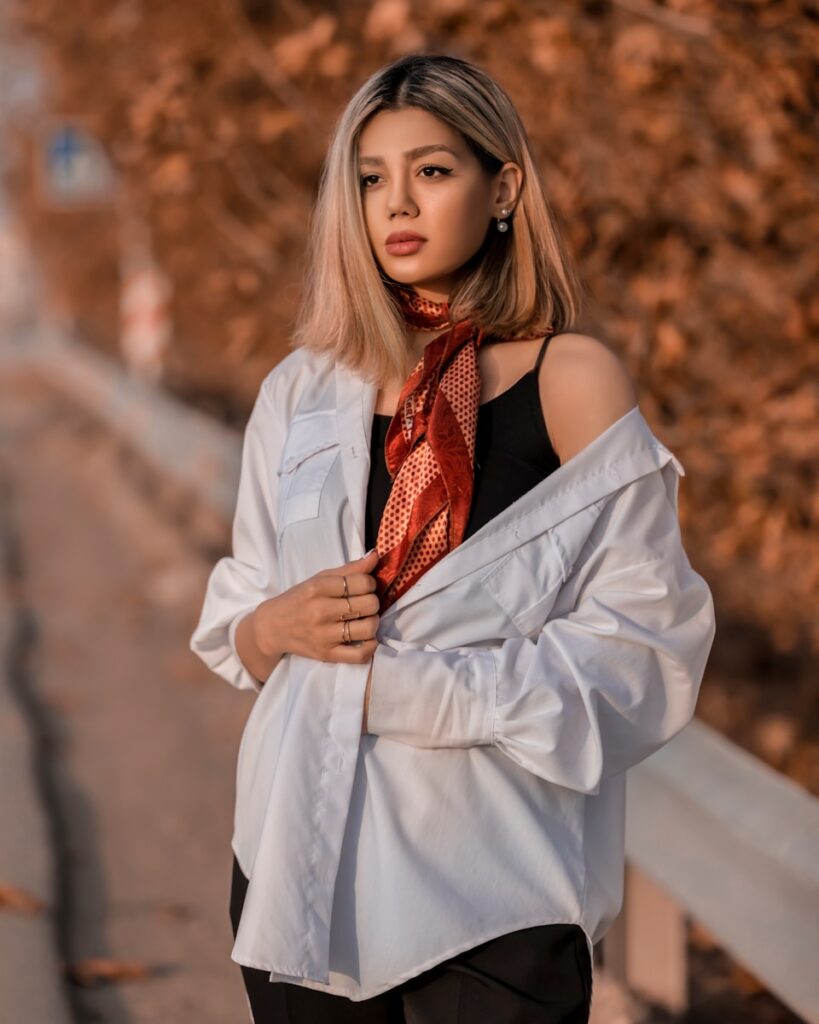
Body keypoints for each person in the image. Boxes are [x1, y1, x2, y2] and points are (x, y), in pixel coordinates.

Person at [190, 53, 716, 1023]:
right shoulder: (301, 391)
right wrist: (277, 626)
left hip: (494, 890)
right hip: (297, 874)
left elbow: (642, 650)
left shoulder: (570, 380)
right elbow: (241, 624)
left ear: (503, 187)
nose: (397, 202)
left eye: (431, 171)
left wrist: (408, 692)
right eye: (370, 179)